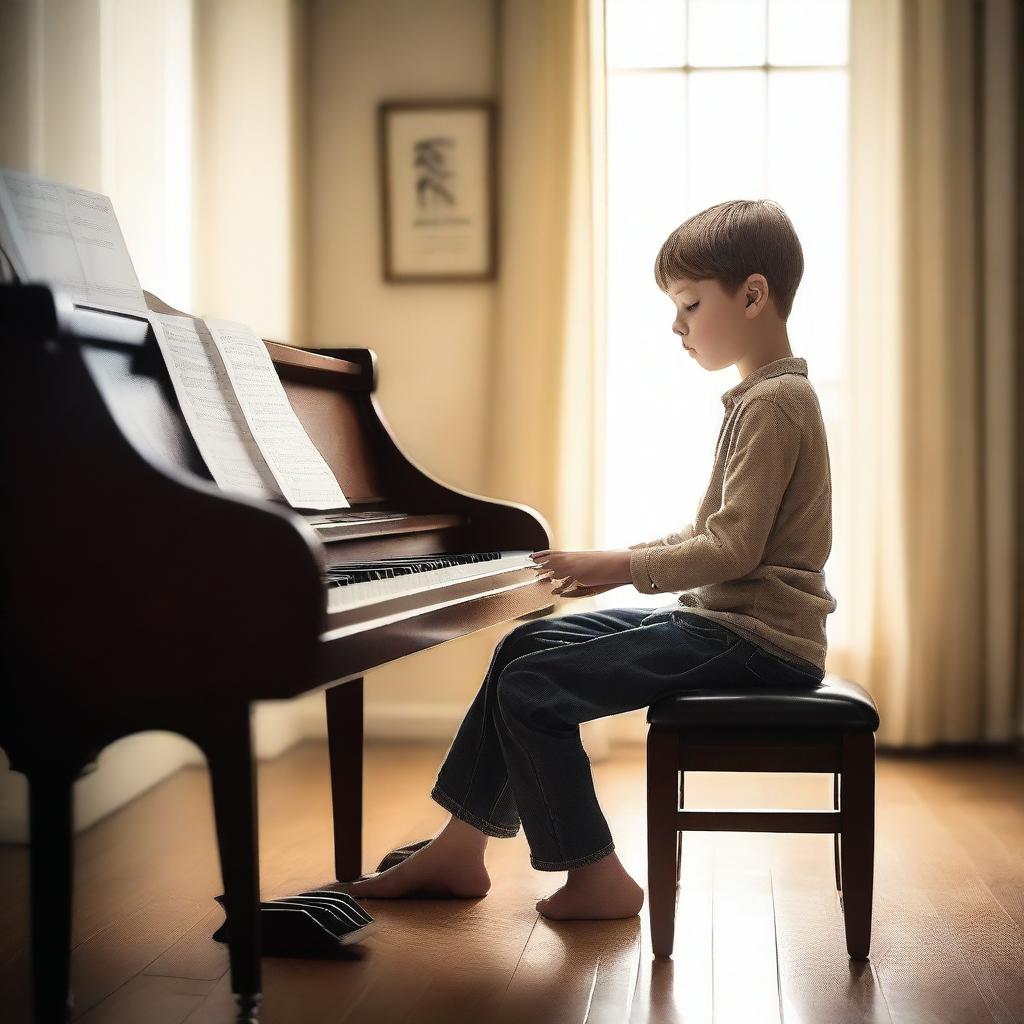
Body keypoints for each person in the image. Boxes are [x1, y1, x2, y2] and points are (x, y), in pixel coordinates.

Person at [334, 198, 838, 921]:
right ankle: (460, 847)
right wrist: (614, 559)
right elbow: (713, 530)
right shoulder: (763, 397)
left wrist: (616, 568)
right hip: (730, 627)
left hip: (760, 643)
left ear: (753, 295)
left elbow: (733, 550)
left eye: (690, 304)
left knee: (535, 688)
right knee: (524, 646)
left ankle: (595, 874)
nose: (677, 325)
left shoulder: (778, 403)